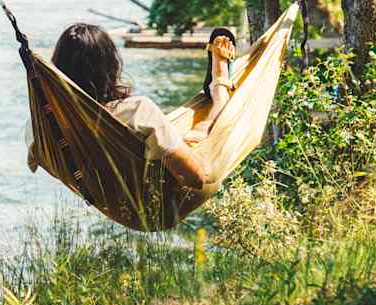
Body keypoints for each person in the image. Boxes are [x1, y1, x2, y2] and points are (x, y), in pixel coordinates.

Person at [25, 23, 238, 191]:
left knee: (168, 133)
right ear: (110, 66)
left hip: (107, 196)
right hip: (157, 192)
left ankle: (213, 93)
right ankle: (220, 85)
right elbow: (197, 179)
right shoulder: (136, 112)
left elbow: (35, 161)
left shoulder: (41, 126)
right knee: (203, 129)